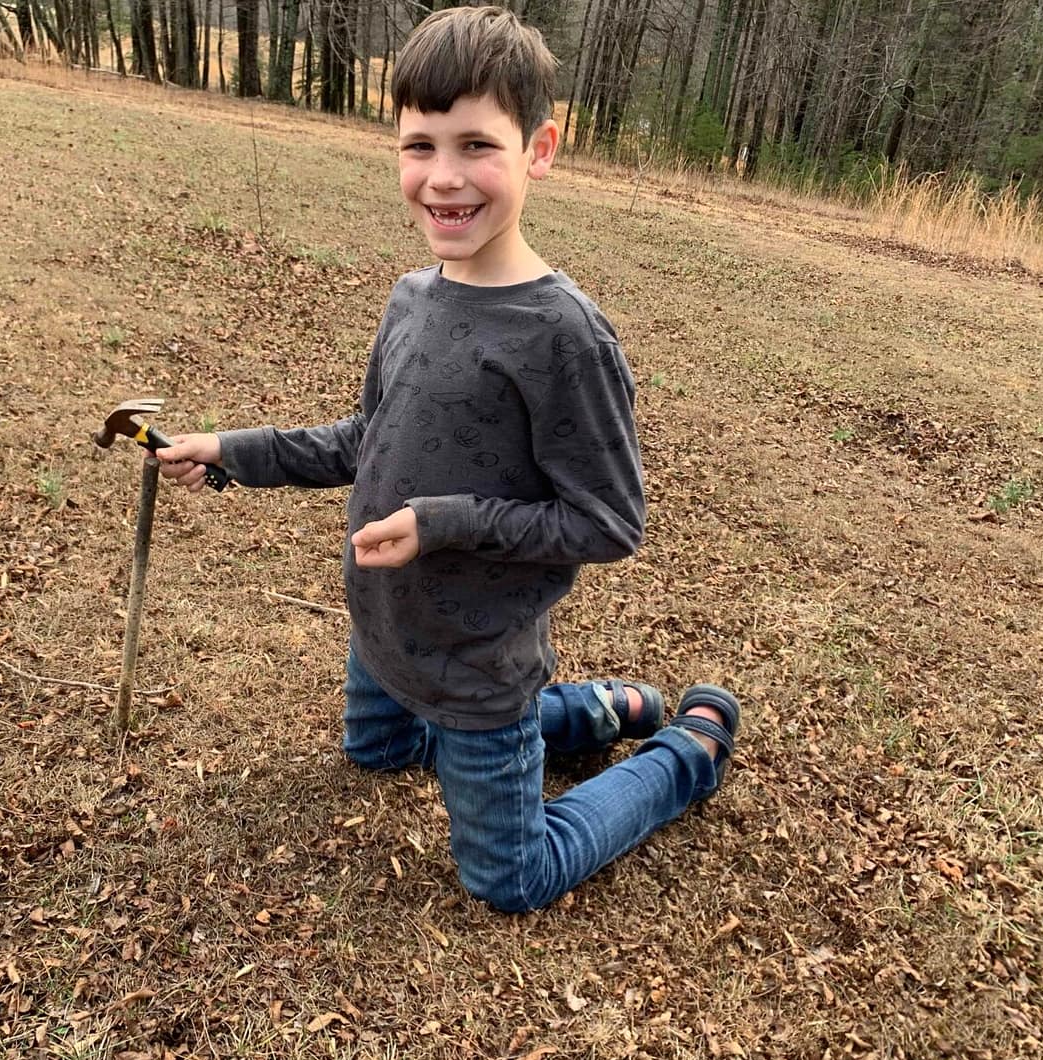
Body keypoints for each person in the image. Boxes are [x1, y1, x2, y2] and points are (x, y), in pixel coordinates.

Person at [153, 5, 741, 913]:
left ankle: (684, 751)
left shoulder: (565, 339)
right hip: (383, 630)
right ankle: (597, 711)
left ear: (540, 149)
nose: (443, 178)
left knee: (511, 879)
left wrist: (443, 523)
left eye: (476, 146)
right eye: (419, 146)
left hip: (477, 667)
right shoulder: (409, 298)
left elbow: (608, 522)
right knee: (377, 752)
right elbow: (366, 441)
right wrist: (233, 451)